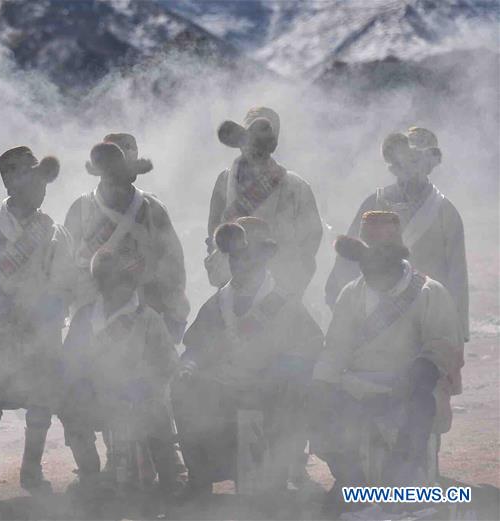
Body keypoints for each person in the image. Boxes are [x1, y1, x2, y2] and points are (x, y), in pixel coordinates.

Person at [311, 211, 463, 516]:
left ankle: (398, 489)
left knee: (418, 406)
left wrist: (420, 371)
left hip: (413, 385)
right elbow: (336, 348)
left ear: (395, 257)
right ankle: (351, 485)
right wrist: (321, 383)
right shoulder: (351, 294)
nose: (371, 268)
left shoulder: (430, 292)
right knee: (322, 408)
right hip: (358, 384)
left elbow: (444, 346)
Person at [64, 136, 189, 494]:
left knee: (153, 394)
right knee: (96, 388)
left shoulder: (152, 209)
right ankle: (110, 465)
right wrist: (86, 304)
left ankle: (170, 469)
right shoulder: (82, 209)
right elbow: (69, 264)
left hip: (143, 315)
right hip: (97, 314)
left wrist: (171, 310)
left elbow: (172, 264)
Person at [172, 217, 323, 500]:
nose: (240, 265)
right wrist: (190, 365)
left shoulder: (287, 304)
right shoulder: (218, 303)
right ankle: (200, 477)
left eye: (248, 259)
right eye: (236, 258)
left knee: (291, 392)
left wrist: (279, 372)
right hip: (223, 387)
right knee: (184, 389)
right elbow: (197, 347)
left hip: (272, 390)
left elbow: (309, 350)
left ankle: (275, 476)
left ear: (264, 259)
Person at [325, 127, 467, 395]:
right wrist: (340, 301)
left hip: (426, 314)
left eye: (416, 160)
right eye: (403, 159)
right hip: (372, 309)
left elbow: (457, 275)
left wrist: (455, 334)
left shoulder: (446, 212)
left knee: (424, 398)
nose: (409, 167)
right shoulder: (374, 202)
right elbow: (347, 261)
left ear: (430, 164)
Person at [0, 146, 72, 499]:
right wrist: (1, 312)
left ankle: (31, 469)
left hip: (41, 330)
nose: (40, 187)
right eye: (31, 178)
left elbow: (64, 279)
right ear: (12, 184)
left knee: (40, 402)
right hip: (2, 328)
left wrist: (49, 310)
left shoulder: (53, 230)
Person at [60, 247, 179, 499]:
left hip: (140, 397)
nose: (118, 287)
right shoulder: (85, 317)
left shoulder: (148, 318)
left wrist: (145, 385)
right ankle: (89, 476)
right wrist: (79, 386)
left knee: (157, 415)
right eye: (107, 280)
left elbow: (167, 363)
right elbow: (69, 362)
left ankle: (169, 479)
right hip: (97, 398)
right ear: (100, 284)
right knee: (70, 408)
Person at [205, 107, 322, 299]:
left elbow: (309, 242)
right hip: (231, 287)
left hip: (280, 291)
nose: (253, 146)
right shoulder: (224, 181)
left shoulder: (296, 186)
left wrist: (290, 281)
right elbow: (213, 233)